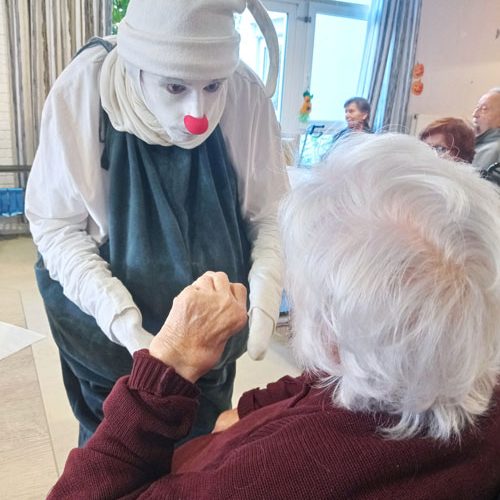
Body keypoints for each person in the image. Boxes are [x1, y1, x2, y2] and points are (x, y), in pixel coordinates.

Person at [47, 134, 500, 499]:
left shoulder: (252, 481)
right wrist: (247, 411)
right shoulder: (458, 379)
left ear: (331, 332)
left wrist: (164, 368)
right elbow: (322, 385)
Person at [25, 0, 289, 446]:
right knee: (118, 457)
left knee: (199, 454)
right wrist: (129, 329)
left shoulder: (242, 88)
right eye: (174, 87)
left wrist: (265, 296)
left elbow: (270, 213)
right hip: (107, 345)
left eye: (211, 87)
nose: (198, 114)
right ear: (137, 69)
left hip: (212, 345)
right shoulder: (85, 88)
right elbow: (57, 226)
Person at [471, 87, 500, 171]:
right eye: (477, 107)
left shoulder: (493, 150)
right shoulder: (469, 143)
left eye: (484, 109)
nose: (475, 114)